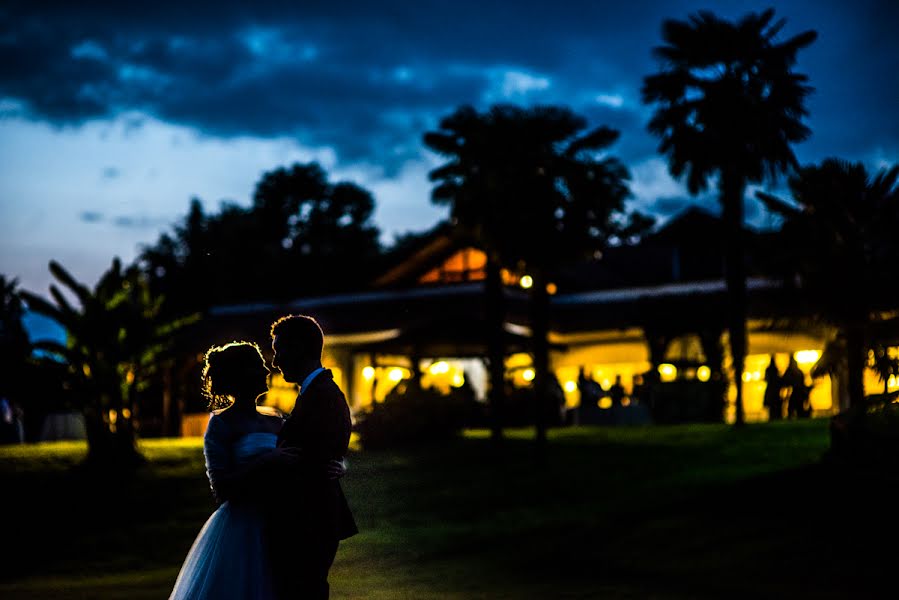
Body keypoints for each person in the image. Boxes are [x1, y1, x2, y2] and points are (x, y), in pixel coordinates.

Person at [214, 315, 357, 599]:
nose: (275, 361)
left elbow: (304, 466)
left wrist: (334, 464)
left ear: (300, 348)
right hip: (301, 526)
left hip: (305, 527)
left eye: (279, 350)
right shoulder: (316, 395)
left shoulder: (322, 397)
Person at [169, 341, 286, 599]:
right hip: (242, 530)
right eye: (259, 365)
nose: (267, 370)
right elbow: (222, 488)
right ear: (242, 374)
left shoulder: (277, 420)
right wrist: (266, 462)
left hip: (281, 522)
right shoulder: (221, 425)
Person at [763, 354, 783, 421]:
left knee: (771, 405)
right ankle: (776, 417)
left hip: (771, 389)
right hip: (775, 389)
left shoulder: (768, 369)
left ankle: (772, 417)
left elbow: (766, 379)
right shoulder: (775, 369)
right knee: (775, 405)